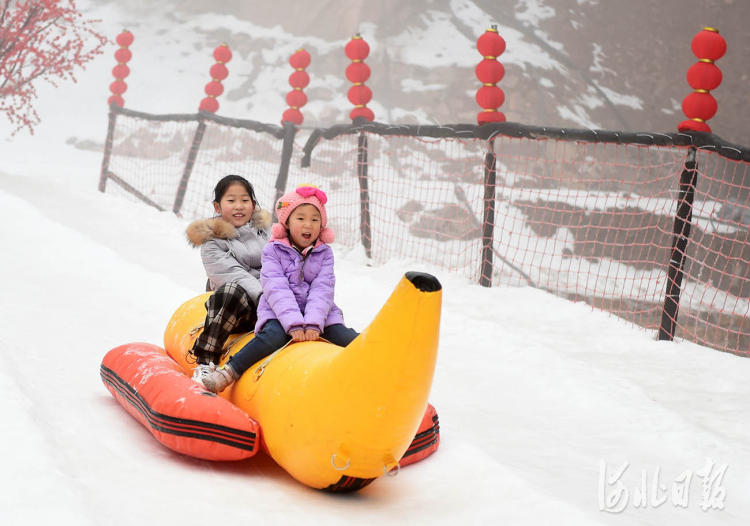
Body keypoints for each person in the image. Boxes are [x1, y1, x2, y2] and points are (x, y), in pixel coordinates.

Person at [200, 184, 359, 393]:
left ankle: (386, 361)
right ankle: (229, 371)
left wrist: (313, 322)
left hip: (320, 314)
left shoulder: (325, 254)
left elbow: (323, 289)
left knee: (346, 337)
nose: (308, 225)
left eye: (315, 219)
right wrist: (293, 323)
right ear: (287, 222)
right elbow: (276, 289)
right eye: (300, 218)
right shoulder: (273, 250)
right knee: (273, 337)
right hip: (277, 310)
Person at [185, 175, 271, 383]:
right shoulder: (211, 241)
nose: (239, 206)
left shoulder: (268, 232)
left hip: (272, 305)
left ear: (254, 204)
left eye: (245, 200)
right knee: (231, 290)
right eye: (231, 201)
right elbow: (234, 274)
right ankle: (206, 362)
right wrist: (267, 298)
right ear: (217, 206)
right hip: (239, 311)